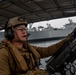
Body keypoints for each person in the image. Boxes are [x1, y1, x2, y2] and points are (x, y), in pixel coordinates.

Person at [0, 16, 72, 75]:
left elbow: (47, 51)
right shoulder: (3, 53)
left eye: (25, 29)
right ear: (10, 32)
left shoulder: (28, 48)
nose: (24, 31)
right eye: (20, 29)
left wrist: (66, 40)